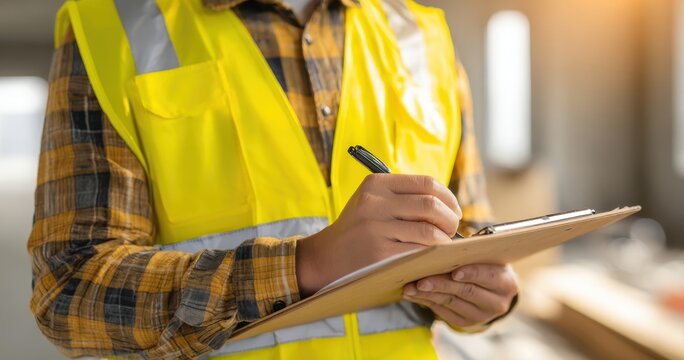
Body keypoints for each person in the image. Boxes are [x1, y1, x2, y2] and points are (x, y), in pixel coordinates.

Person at [28, 0, 519, 358]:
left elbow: (472, 234)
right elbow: (69, 291)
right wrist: (306, 263)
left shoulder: (423, 37)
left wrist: (486, 297)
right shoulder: (115, 28)